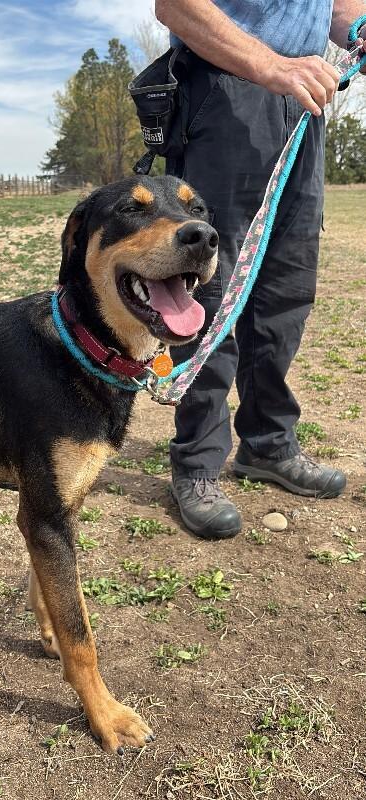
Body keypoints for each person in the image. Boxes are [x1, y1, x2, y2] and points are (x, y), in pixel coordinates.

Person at [154, 0, 366, 540]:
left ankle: (268, 444)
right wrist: (270, 64)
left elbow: (338, 8)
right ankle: (197, 461)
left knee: (286, 287)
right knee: (214, 284)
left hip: (305, 102)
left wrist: (358, 28)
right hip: (226, 90)